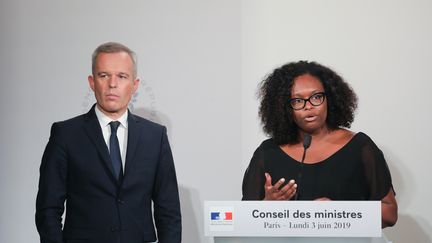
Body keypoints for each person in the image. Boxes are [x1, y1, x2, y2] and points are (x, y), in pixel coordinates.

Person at [36, 42, 182, 243]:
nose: (112, 84)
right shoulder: (66, 135)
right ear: (92, 82)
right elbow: (48, 209)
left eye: (122, 76)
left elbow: (169, 211)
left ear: (135, 84)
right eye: (104, 75)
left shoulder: (155, 137)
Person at [241, 61, 398, 228]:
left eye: (316, 97)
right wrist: (266, 206)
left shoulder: (359, 147)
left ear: (329, 99)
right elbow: (242, 220)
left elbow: (390, 214)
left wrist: (336, 212)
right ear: (284, 107)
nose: (309, 106)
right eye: (297, 101)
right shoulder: (268, 152)